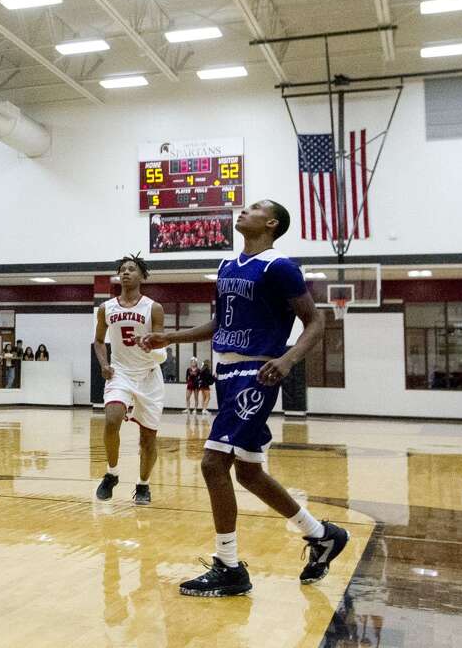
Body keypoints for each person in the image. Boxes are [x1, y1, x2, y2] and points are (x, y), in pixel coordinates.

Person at [141, 199, 347, 596]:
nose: (243, 211)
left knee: (213, 463)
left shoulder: (279, 266)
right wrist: (172, 337)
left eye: (253, 208)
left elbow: (316, 321)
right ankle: (321, 534)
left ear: (270, 223)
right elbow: (222, 321)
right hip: (226, 370)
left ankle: (229, 565)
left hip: (258, 370)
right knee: (248, 472)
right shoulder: (226, 266)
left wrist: (286, 361)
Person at [93, 255, 166, 506]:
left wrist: (149, 346)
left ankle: (143, 485)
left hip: (148, 376)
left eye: (131, 269)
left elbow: (162, 348)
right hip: (120, 372)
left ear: (141, 276)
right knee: (112, 419)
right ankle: (111, 473)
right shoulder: (106, 308)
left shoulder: (153, 308)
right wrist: (104, 365)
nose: (125, 273)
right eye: (122, 270)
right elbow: (99, 341)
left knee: (148, 438)